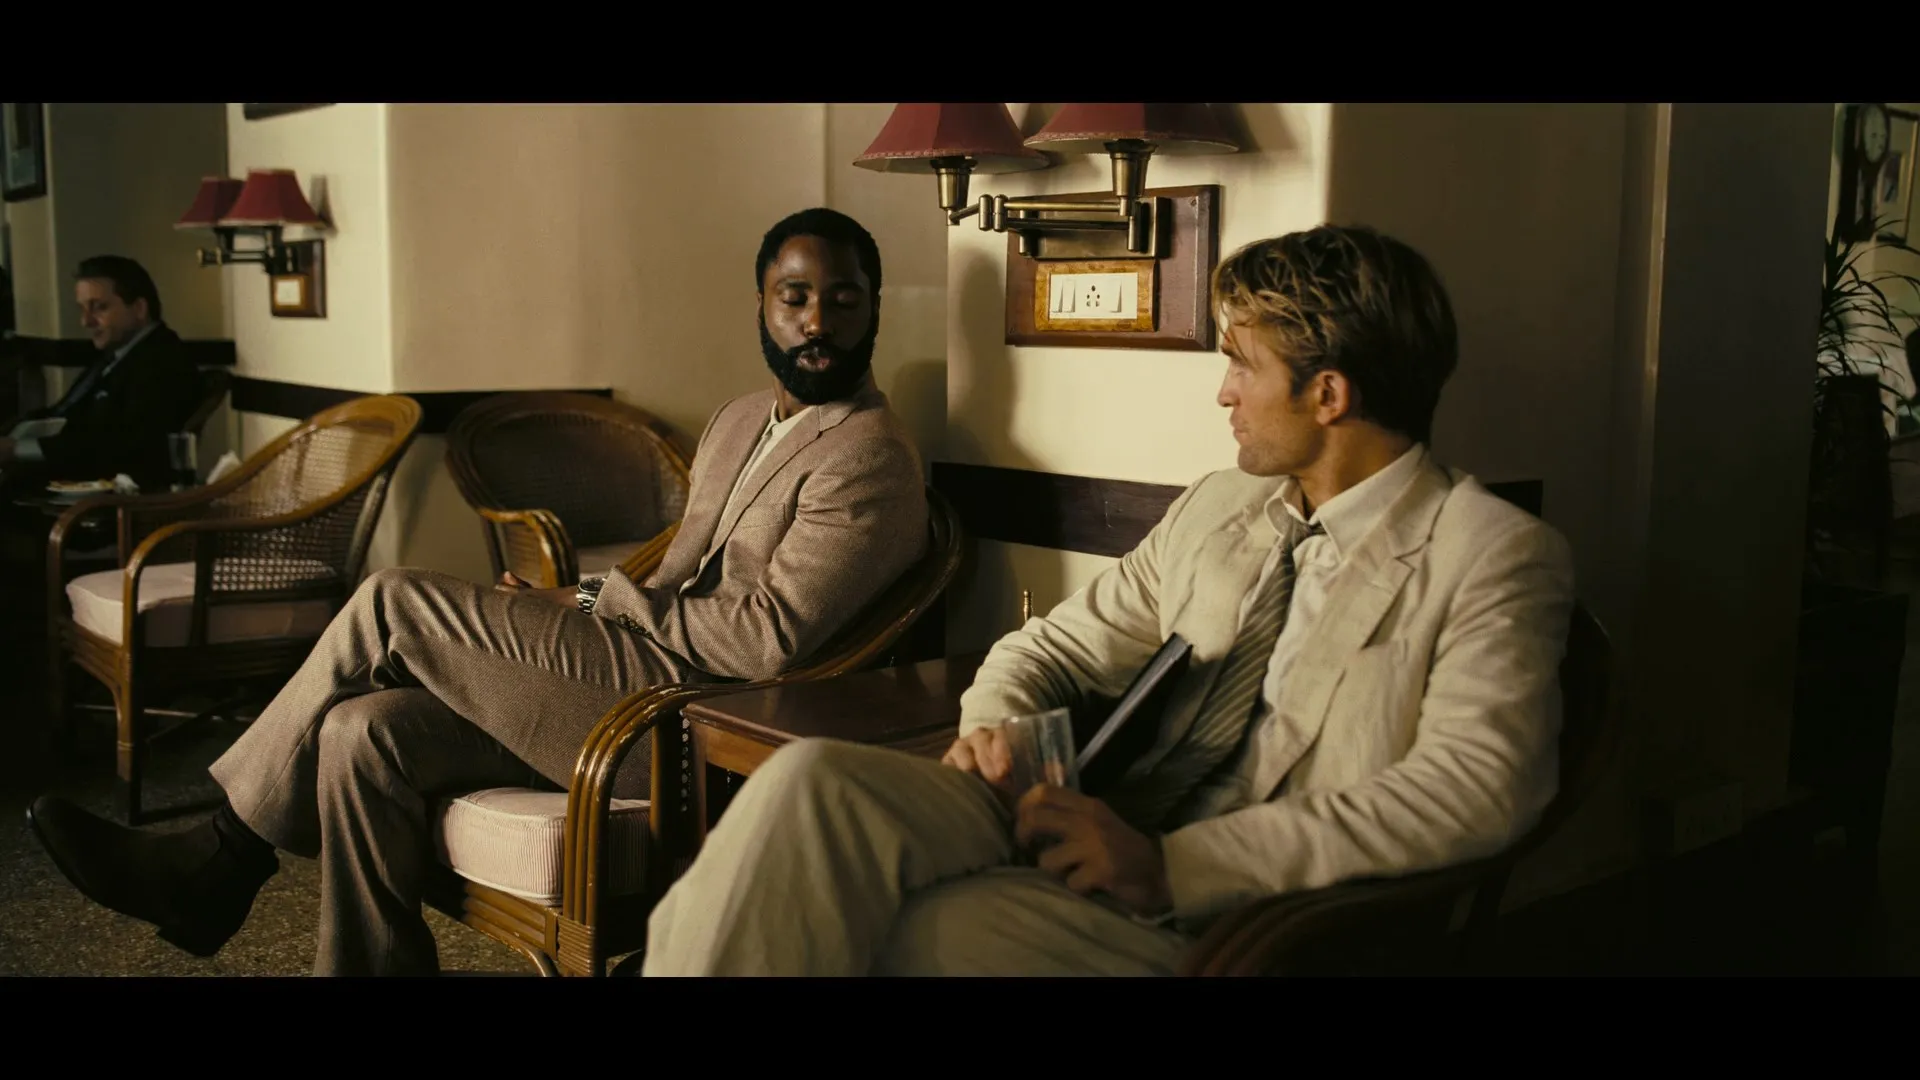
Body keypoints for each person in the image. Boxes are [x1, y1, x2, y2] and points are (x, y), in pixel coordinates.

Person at [640, 223, 1578, 976]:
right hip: (1086, 804)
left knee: (925, 927)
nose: (1224, 394)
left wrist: (1175, 865)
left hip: (1241, 908)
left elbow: (1477, 790)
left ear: (1327, 395)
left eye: (1242, 365)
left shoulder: (1492, 553)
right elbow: (1049, 646)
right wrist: (1001, 731)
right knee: (809, 784)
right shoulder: (1223, 506)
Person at [25, 207, 930, 976]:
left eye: (843, 299)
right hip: (630, 666)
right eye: (795, 297)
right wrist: (571, 601)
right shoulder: (741, 419)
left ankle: (219, 857)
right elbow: (670, 570)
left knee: (391, 599)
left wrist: (611, 603)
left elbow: (768, 640)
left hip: (695, 722)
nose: (818, 321)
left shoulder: (871, 457)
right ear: (762, 306)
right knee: (361, 732)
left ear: (875, 309)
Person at [0, 256, 202, 494]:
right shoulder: (115, 355)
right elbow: (65, 414)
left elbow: (115, 446)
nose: (86, 321)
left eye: (99, 307)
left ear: (139, 308)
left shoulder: (162, 360)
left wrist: (17, 449)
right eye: (83, 309)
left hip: (107, 498)